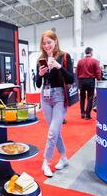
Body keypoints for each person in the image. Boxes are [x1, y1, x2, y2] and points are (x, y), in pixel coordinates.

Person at [36, 30, 74, 177]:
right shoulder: (41, 59)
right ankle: (63, 157)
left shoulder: (64, 56)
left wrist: (59, 67)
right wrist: (39, 74)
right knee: (55, 130)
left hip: (59, 97)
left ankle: (46, 162)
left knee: (52, 132)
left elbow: (71, 78)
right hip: (45, 97)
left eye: (49, 42)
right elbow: (38, 83)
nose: (47, 46)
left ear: (55, 41)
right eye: (44, 43)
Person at [76, 47, 102, 120]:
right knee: (90, 97)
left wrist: (79, 79)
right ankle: (87, 115)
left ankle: (82, 113)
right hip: (90, 81)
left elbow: (77, 72)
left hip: (81, 81)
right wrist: (99, 79)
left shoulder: (80, 61)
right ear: (91, 52)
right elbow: (98, 72)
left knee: (82, 97)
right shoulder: (95, 61)